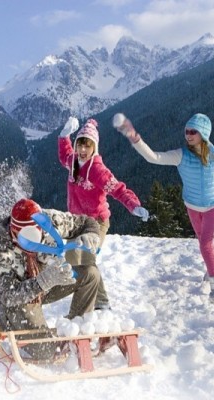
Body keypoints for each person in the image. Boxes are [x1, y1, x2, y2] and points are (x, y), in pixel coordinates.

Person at [113, 112, 214, 302]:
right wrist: (134, 138)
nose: (188, 135)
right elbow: (154, 157)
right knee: (205, 244)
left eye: (193, 132)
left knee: (205, 244)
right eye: (186, 131)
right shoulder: (181, 155)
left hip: (213, 205)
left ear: (203, 134)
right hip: (192, 206)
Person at [0, 198, 102, 360]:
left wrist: (91, 234)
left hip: (48, 284)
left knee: (90, 275)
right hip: (18, 298)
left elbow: (87, 222)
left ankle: (77, 327)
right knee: (46, 351)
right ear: (13, 231)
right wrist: (44, 281)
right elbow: (7, 295)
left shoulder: (52, 222)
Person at [57, 117, 149, 310]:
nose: (82, 150)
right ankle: (87, 292)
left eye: (87, 146)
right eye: (80, 144)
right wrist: (63, 135)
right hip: (76, 221)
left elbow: (118, 189)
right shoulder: (73, 161)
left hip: (97, 222)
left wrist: (133, 205)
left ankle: (101, 303)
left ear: (94, 148)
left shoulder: (98, 171)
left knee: (87, 259)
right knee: (72, 259)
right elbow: (64, 154)